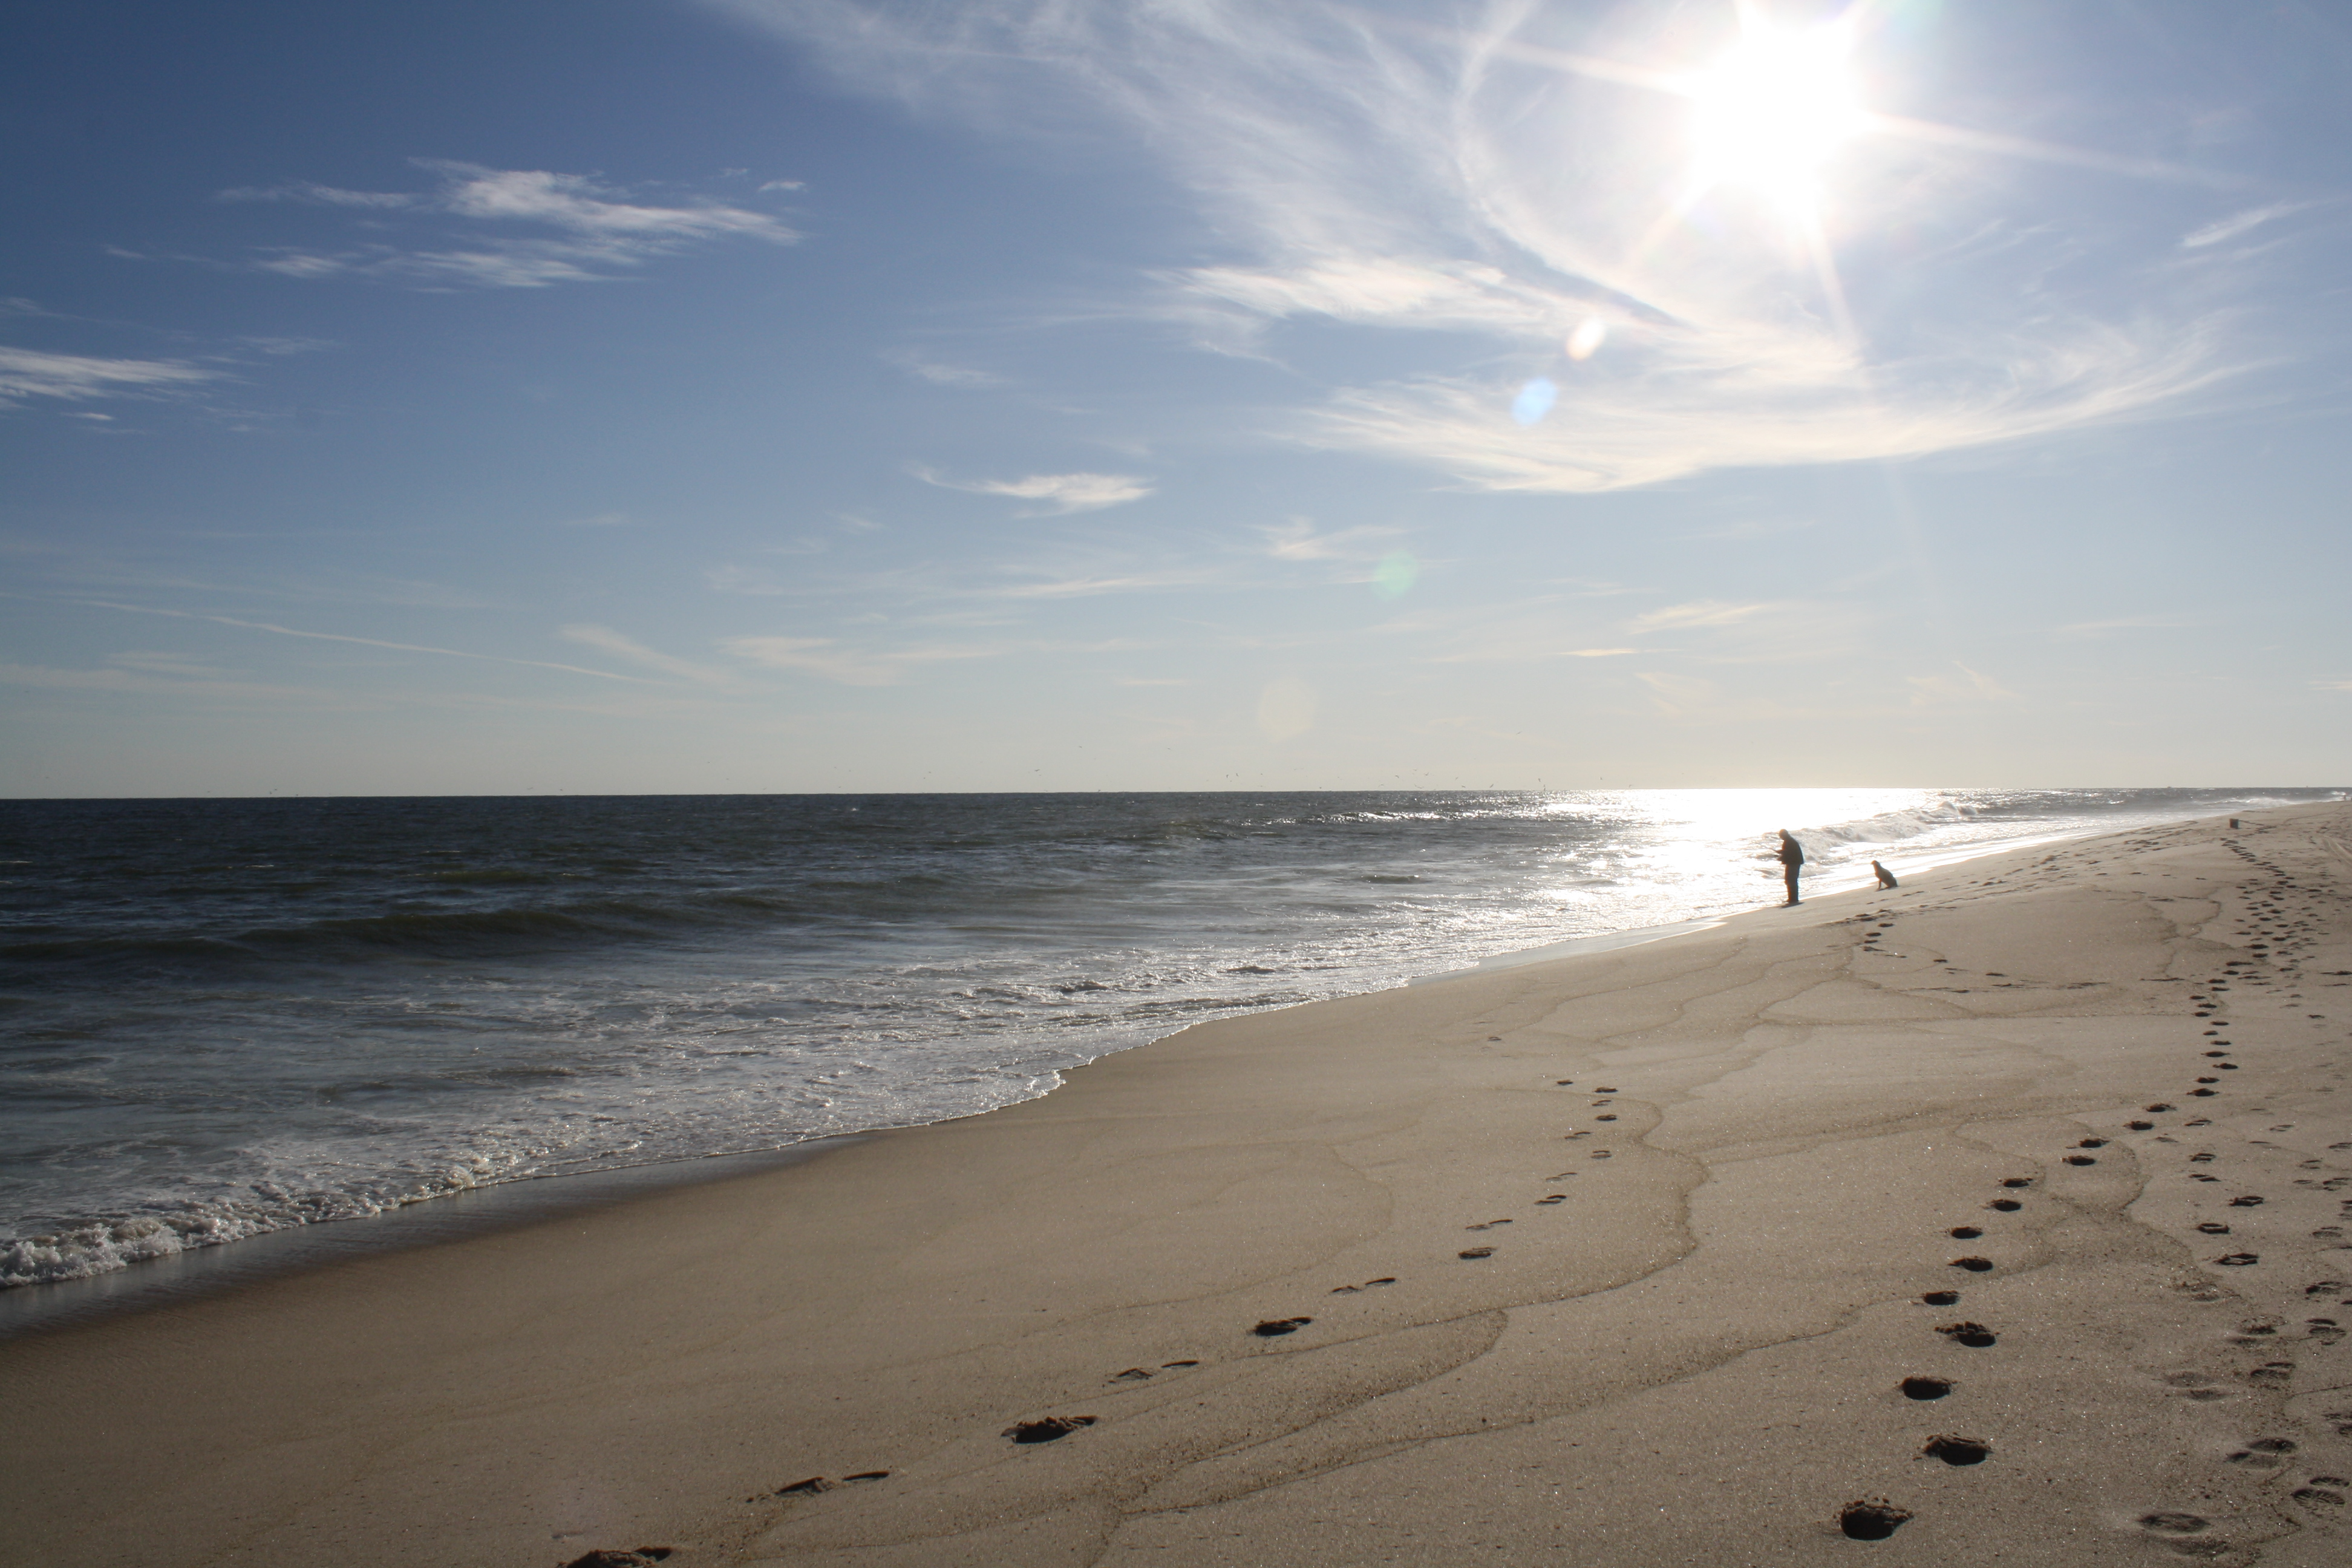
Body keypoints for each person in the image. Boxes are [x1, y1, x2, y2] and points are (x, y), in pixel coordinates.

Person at [1775, 830, 1803, 906]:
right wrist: (1782, 854)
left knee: (1790, 880)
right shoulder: (1790, 841)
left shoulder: (1789, 842)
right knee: (1791, 881)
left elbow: (1789, 853)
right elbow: (1789, 852)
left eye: (1781, 835)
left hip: (1793, 863)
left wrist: (1781, 854)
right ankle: (1793, 898)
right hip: (1794, 863)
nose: (1780, 837)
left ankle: (1793, 899)